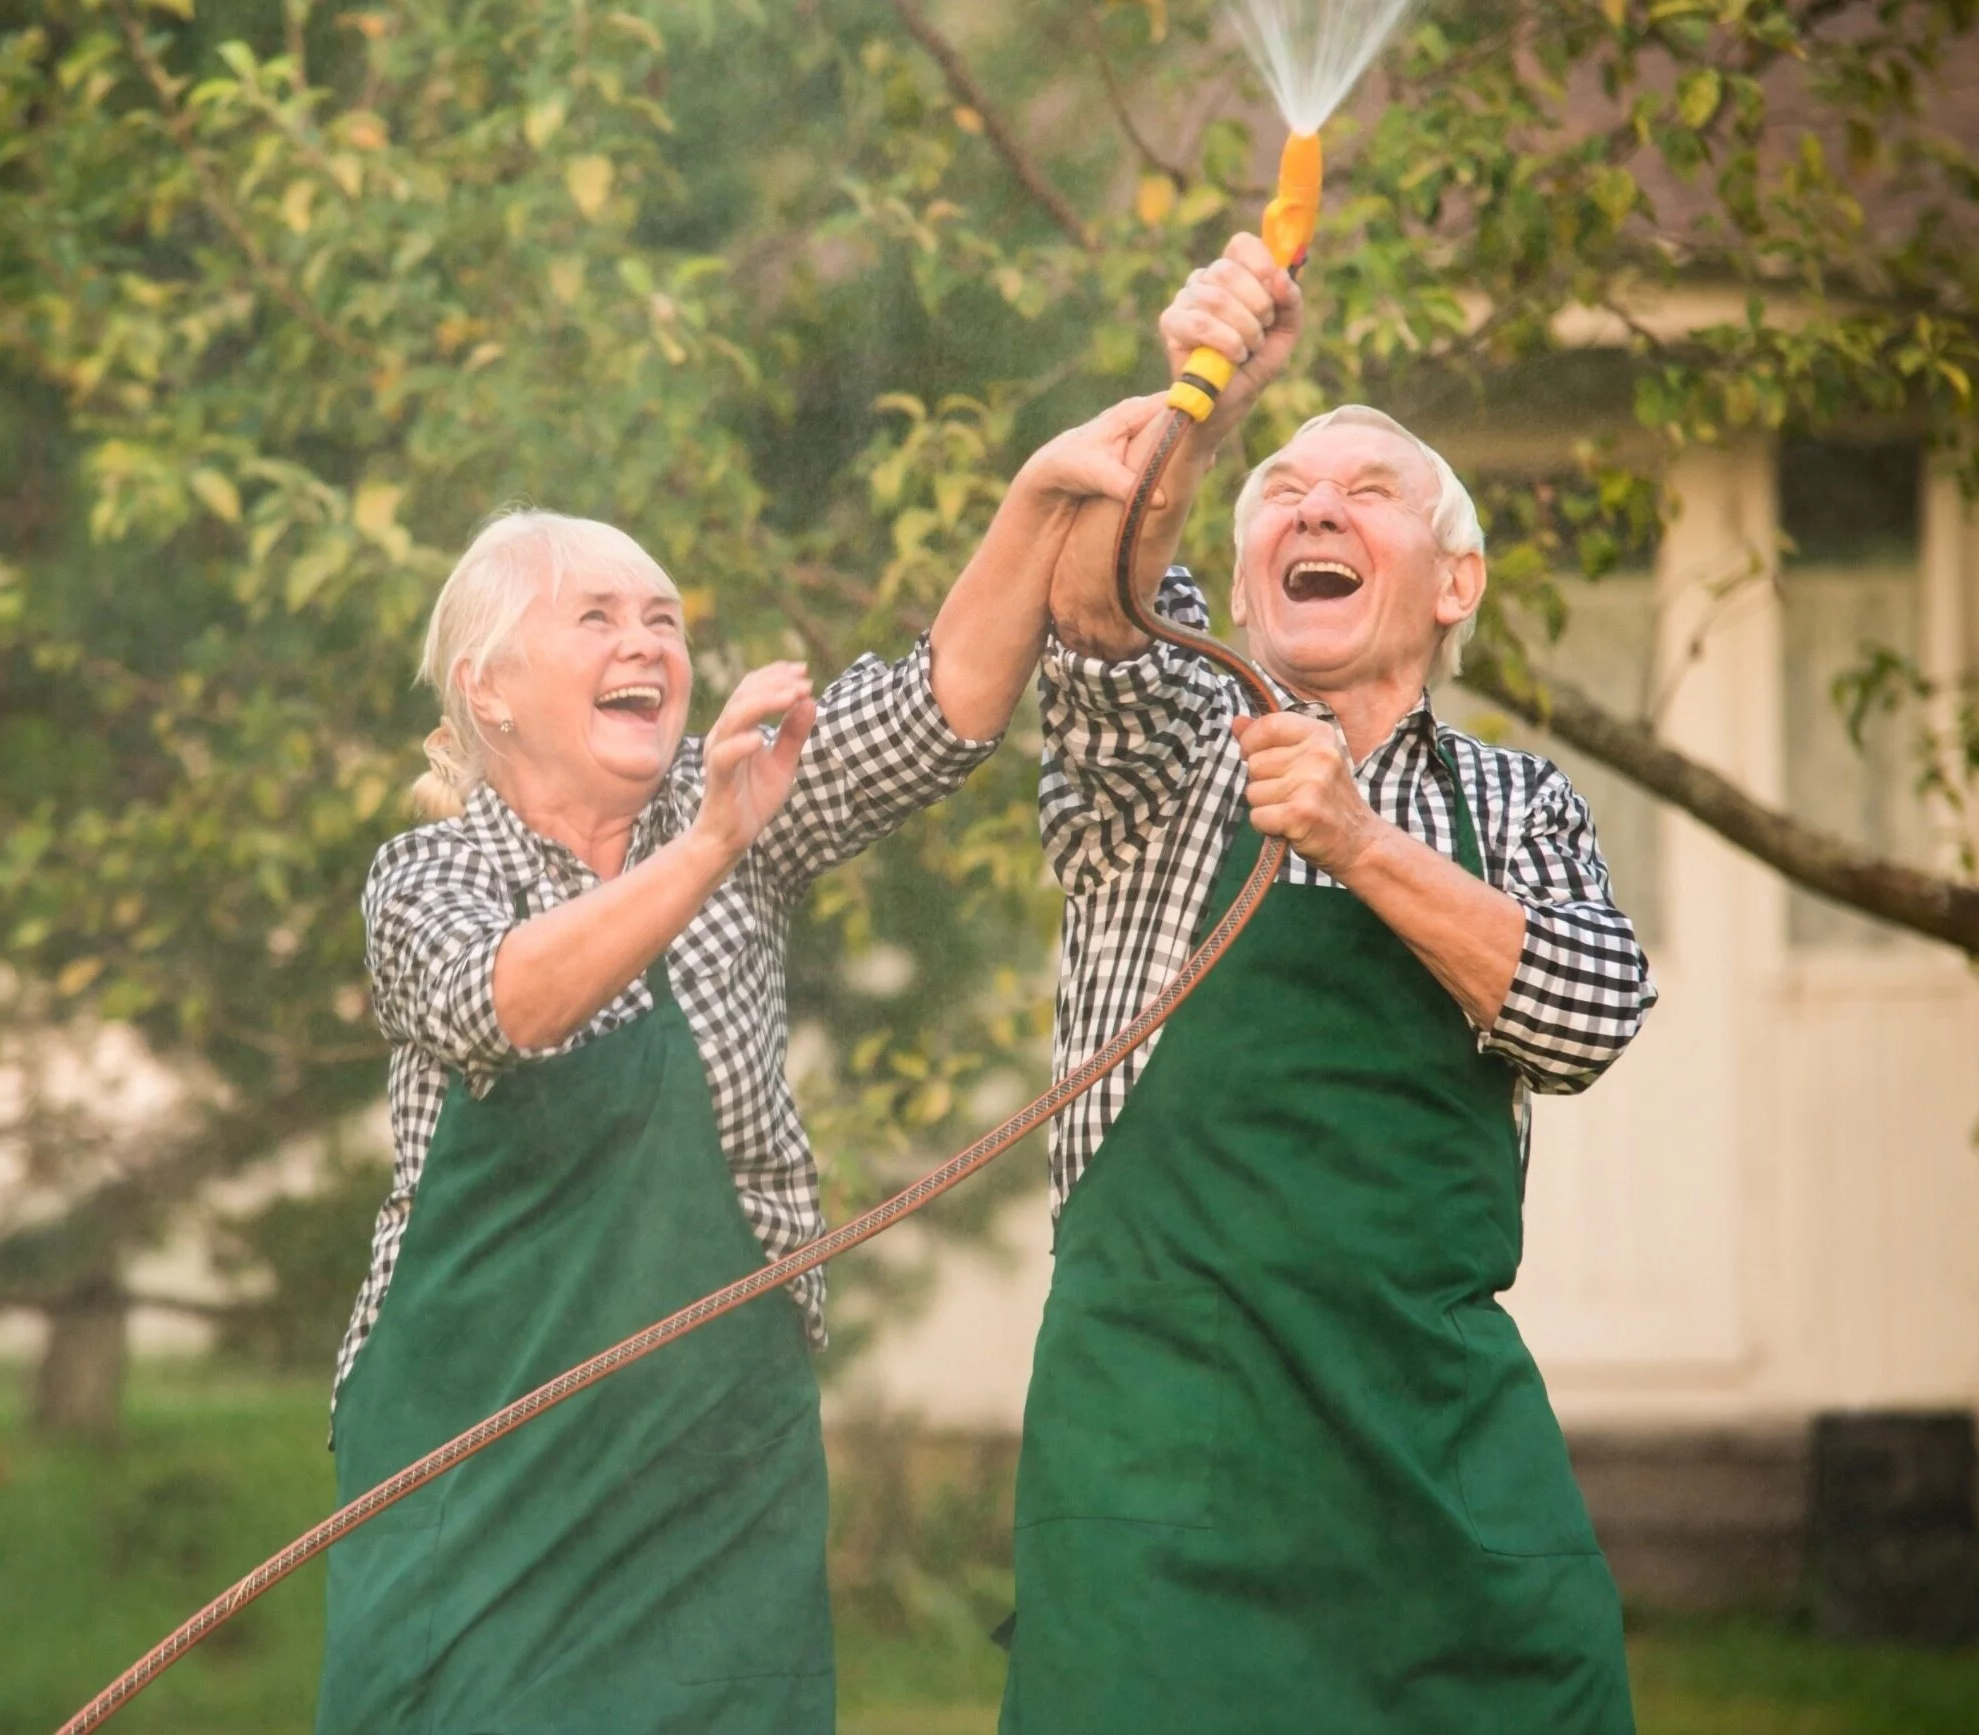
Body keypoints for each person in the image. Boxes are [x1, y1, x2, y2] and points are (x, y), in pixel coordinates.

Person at [312, 269, 1256, 1733]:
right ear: (490, 690)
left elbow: (947, 700)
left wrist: (1029, 505)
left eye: (664, 616)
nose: (649, 642)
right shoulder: (433, 875)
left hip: (711, 1469)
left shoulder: (734, 795)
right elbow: (507, 1005)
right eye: (598, 618)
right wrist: (707, 850)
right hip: (470, 1476)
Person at [998, 233, 1657, 1733]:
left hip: (1433, 1455)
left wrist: (1357, 839)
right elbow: (1096, 605)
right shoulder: (1162, 752)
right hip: (1163, 1469)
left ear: (1454, 579)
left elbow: (1590, 1015)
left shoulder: (1521, 806)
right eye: (1282, 497)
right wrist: (1206, 401)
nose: (1317, 507)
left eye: (1368, 493)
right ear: (1236, 589)